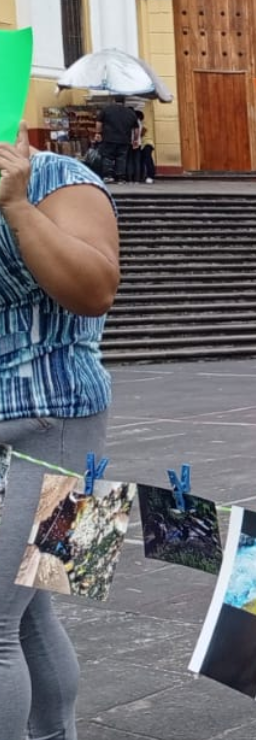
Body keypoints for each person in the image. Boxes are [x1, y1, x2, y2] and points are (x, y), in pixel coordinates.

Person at [0, 121, 120, 739]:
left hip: (55, 420)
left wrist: (17, 206)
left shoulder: (60, 178)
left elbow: (96, 289)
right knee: (27, 612)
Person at [93, 100, 137, 184]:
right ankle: (121, 178)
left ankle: (108, 176)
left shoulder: (106, 110)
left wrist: (98, 133)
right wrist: (135, 139)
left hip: (109, 138)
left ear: (114, 101)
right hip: (124, 140)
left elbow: (99, 122)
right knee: (122, 158)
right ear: (124, 102)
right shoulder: (131, 112)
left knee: (107, 157)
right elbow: (136, 128)